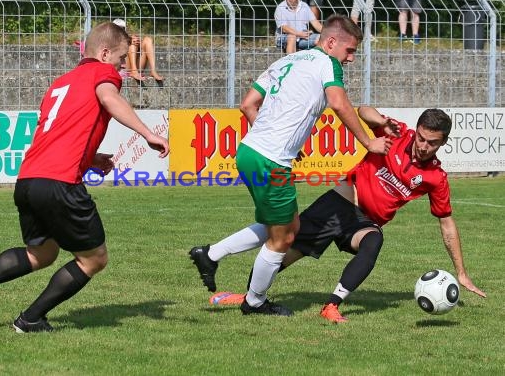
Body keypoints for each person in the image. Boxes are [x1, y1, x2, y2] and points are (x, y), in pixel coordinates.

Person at [0, 22, 169, 333]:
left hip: (30, 180)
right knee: (94, 259)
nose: (121, 70)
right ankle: (30, 318)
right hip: (59, 182)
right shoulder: (103, 75)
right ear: (104, 54)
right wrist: (146, 133)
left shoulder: (61, 83)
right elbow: (109, 99)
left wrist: (90, 159)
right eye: (119, 60)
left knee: (42, 253)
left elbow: (59, 133)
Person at [190, 106, 487, 322]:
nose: (423, 146)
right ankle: (249, 297)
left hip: (363, 223)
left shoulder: (436, 178)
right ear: (417, 130)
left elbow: (447, 224)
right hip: (337, 203)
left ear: (443, 142)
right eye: (422, 138)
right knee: (281, 250)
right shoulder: (397, 134)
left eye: (432, 142)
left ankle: (332, 305)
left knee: (373, 242)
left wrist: (460, 271)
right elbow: (364, 110)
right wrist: (381, 122)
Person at [190, 15, 392, 317]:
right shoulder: (327, 63)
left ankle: (212, 254)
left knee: (290, 225)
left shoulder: (289, 59)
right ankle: (255, 301)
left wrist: (275, 140)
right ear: (332, 42)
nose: (350, 59)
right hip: (270, 160)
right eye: (349, 51)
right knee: (283, 237)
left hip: (249, 152)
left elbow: (248, 104)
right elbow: (338, 103)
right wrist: (368, 142)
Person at [112, 19, 164, 85]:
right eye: (117, 28)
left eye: (122, 28)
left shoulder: (127, 37)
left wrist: (138, 42)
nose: (119, 30)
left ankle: (153, 71)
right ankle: (134, 71)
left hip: (136, 67)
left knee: (147, 40)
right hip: (122, 68)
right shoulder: (108, 39)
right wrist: (128, 41)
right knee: (132, 44)